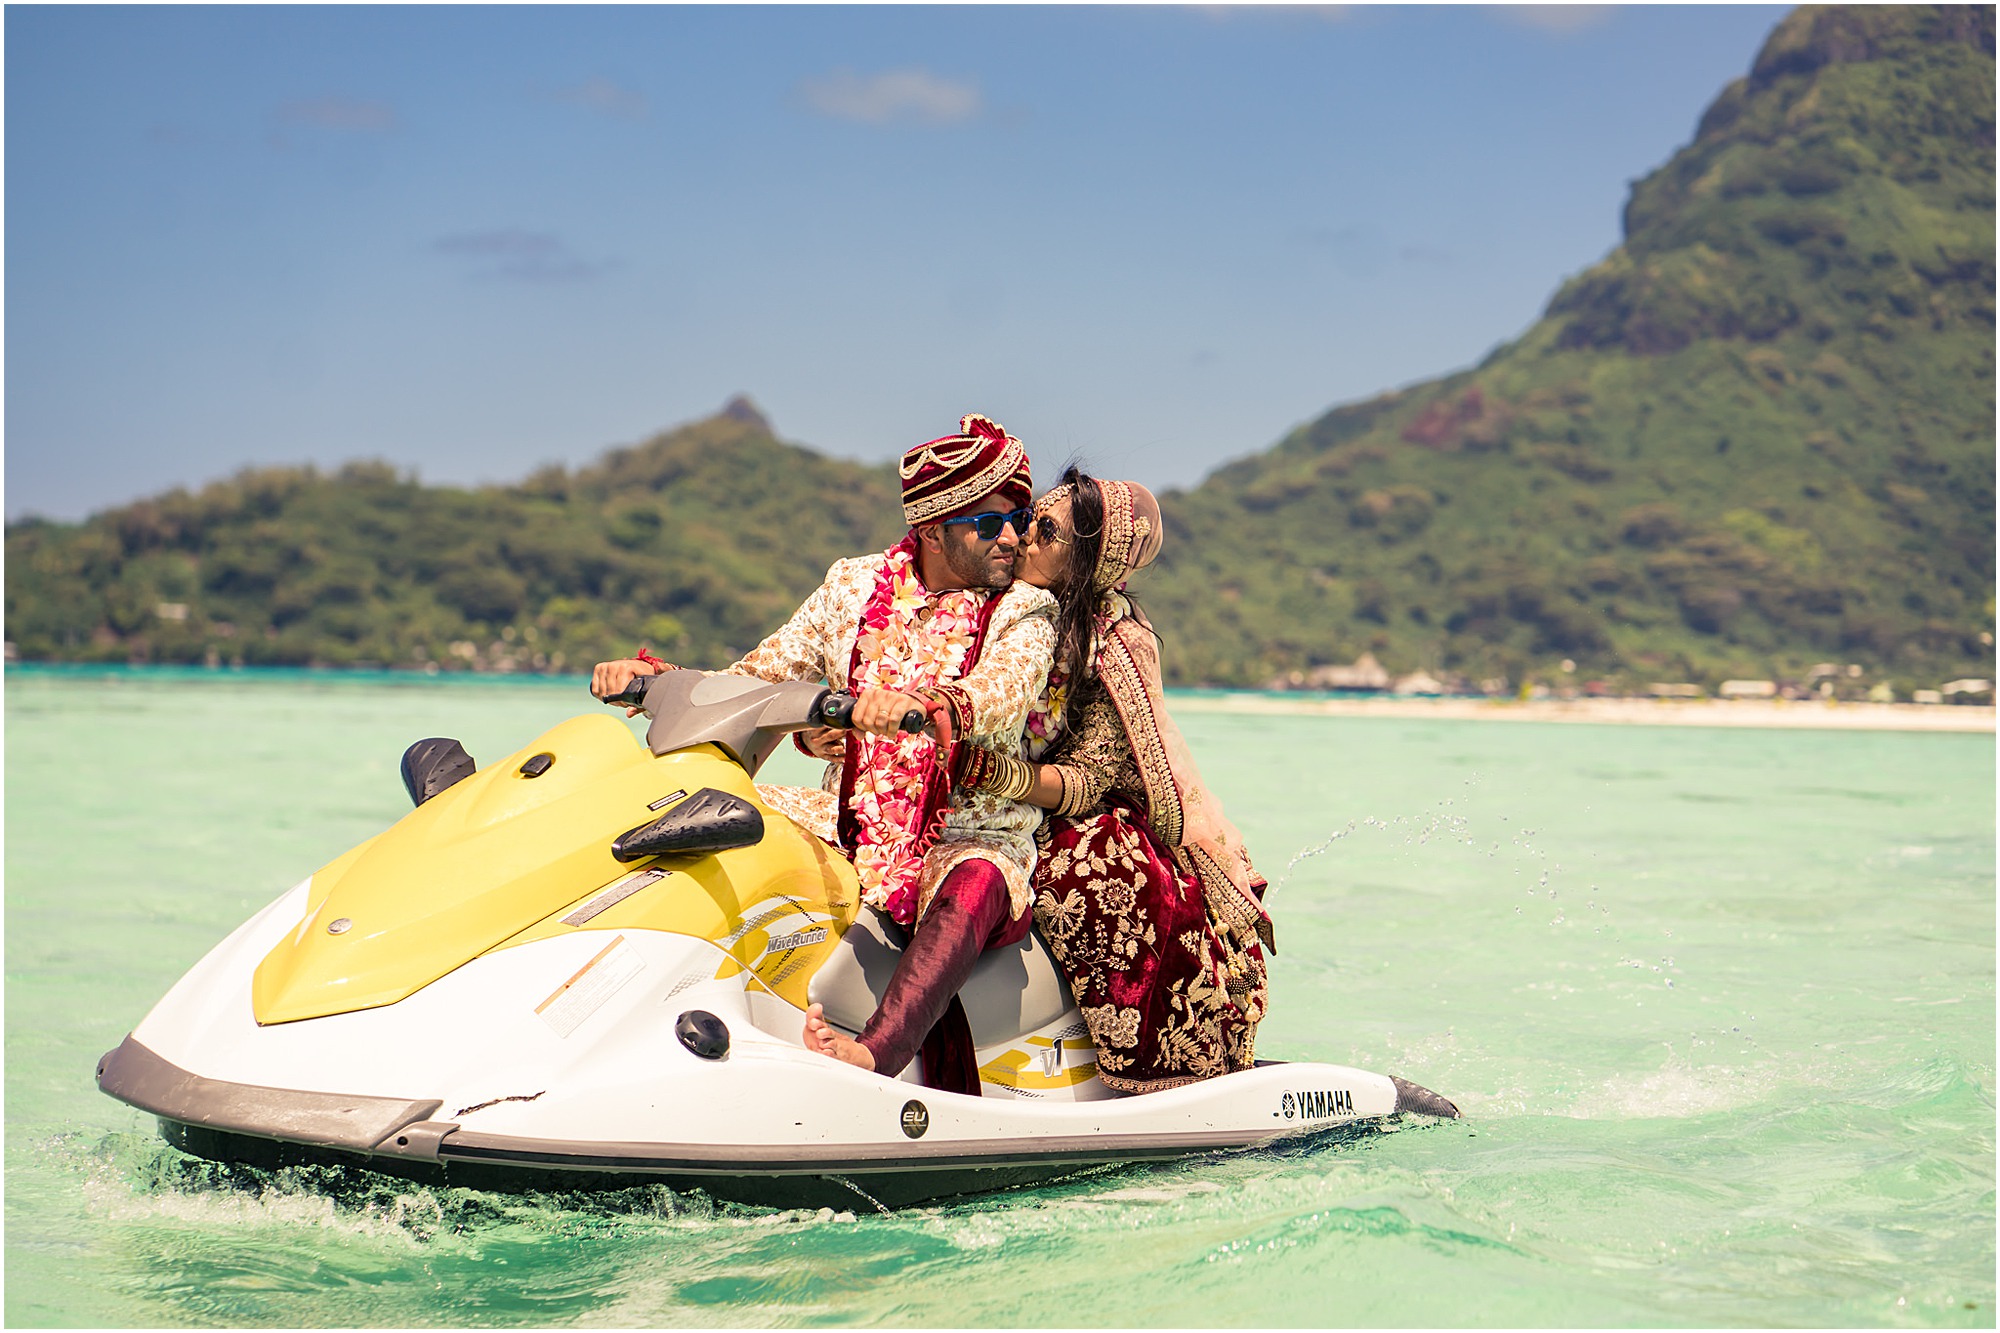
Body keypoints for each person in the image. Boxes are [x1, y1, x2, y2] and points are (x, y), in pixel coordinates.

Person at [591, 414, 1056, 1094]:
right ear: (931, 529)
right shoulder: (851, 586)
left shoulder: (1024, 610)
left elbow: (1001, 691)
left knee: (978, 879)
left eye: (1018, 516)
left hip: (967, 834)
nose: (1012, 538)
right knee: (697, 806)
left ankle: (872, 1057)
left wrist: (930, 707)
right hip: (848, 822)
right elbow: (759, 675)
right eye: (989, 525)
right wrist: (651, 684)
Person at [950, 467, 1273, 1093]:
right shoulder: (984, 591)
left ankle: (1148, 1076)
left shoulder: (1111, 642)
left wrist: (990, 774)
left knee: (1101, 874)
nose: (1020, 539)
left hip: (1069, 806)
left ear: (1086, 565)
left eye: (1044, 531)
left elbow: (1087, 779)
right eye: (1025, 519)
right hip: (975, 794)